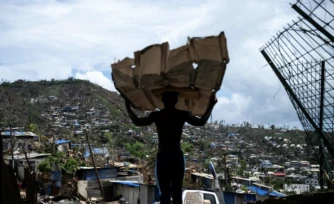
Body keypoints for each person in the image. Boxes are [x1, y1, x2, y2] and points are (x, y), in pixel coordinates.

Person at [123, 91, 217, 204]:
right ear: (176, 101)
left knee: (165, 193)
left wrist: (127, 104)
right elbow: (201, 121)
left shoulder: (157, 115)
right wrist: (211, 105)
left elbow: (137, 121)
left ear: (163, 101)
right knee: (176, 191)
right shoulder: (181, 114)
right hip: (176, 157)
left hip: (163, 157)